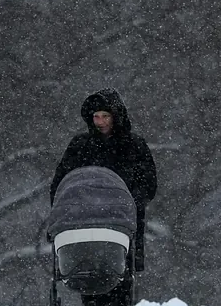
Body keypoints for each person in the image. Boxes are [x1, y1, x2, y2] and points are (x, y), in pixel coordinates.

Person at [50, 88, 157, 306]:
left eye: (105, 116)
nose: (100, 122)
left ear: (116, 117)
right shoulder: (80, 145)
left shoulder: (134, 146)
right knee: (87, 282)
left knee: (120, 285)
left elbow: (148, 186)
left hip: (120, 227)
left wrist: (127, 204)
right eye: (96, 116)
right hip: (84, 226)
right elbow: (61, 184)